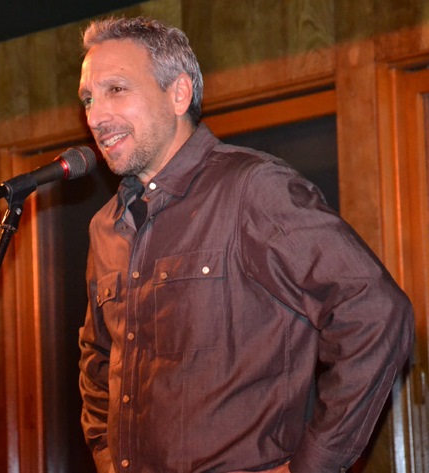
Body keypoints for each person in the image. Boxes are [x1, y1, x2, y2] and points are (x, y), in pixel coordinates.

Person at [77, 16, 414, 473]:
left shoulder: (252, 189)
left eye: (116, 89)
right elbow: (97, 362)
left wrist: (312, 466)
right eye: (88, 99)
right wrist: (106, 456)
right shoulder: (106, 226)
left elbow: (374, 311)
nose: (95, 116)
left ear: (179, 94)